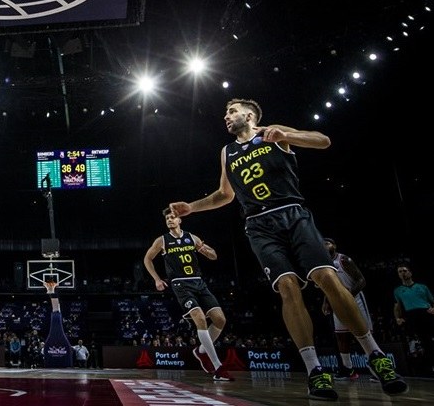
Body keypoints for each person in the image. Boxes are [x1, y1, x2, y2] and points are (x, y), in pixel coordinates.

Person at [169, 98, 407, 401]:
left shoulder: (273, 132)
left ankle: (375, 355)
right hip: (258, 225)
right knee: (287, 286)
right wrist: (192, 207)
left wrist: (288, 136)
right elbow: (224, 195)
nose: (225, 116)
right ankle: (314, 371)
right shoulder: (226, 152)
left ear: (249, 115)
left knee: (328, 279)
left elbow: (323, 140)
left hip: (292, 213)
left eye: (231, 111)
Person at [142, 207, 233, 382]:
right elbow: (147, 259)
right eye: (167, 218)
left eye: (172, 217)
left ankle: (201, 352)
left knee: (220, 319)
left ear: (179, 220)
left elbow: (214, 256)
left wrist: (207, 251)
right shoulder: (162, 241)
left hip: (198, 281)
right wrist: (156, 279)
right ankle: (218, 367)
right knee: (199, 318)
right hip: (180, 284)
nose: (169, 220)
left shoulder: (192, 237)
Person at [320, 238, 371, 381]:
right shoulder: (324, 264)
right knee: (342, 336)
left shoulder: (344, 260)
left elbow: (361, 280)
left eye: (327, 243)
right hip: (337, 302)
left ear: (334, 245)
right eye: (322, 244)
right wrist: (326, 301)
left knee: (366, 334)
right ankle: (348, 369)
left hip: (355, 299)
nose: (324, 246)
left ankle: (375, 370)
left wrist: (348, 295)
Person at [394, 263, 434, 379]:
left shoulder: (422, 287)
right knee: (427, 344)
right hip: (412, 317)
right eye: (400, 272)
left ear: (410, 272)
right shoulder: (398, 291)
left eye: (404, 271)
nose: (402, 273)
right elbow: (398, 306)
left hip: (427, 314)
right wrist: (398, 318)